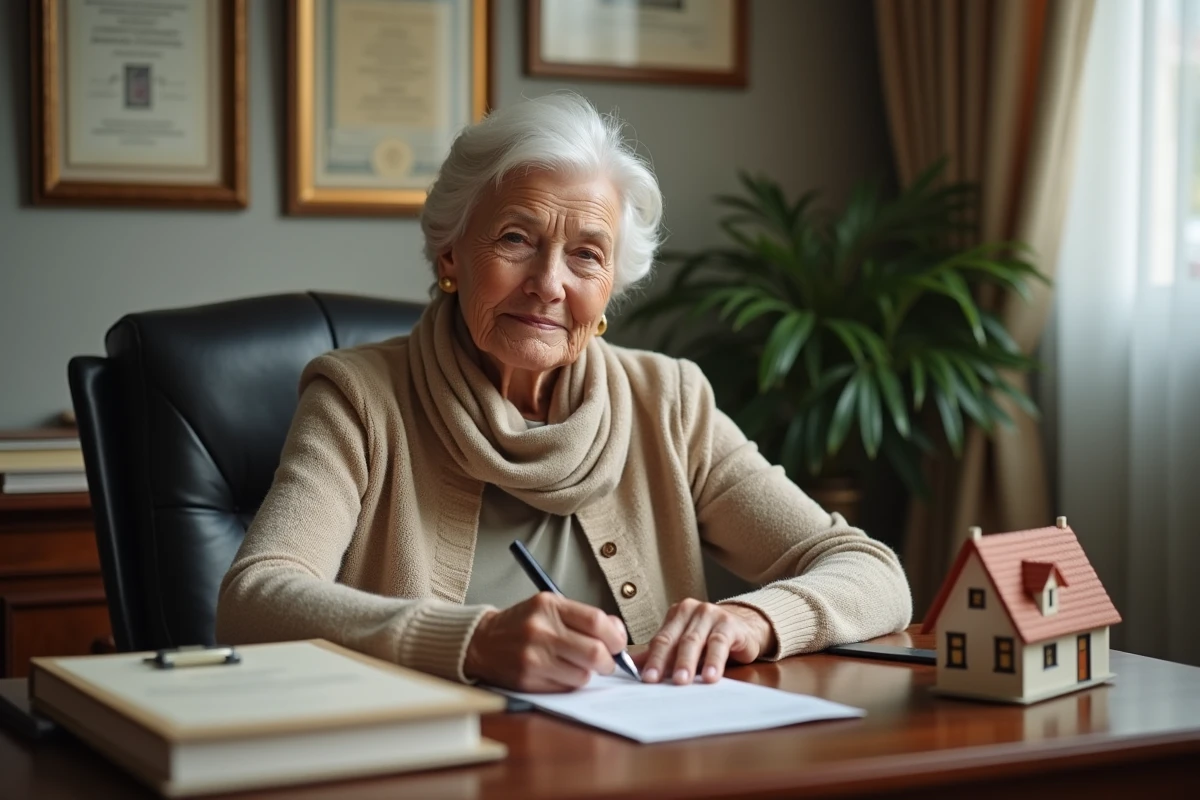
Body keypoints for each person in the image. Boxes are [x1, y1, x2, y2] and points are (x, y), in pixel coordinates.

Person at [216, 94, 912, 692]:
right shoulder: (360, 399)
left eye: (586, 253)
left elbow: (873, 573)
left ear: (611, 283)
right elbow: (255, 599)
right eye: (517, 238)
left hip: (641, 769)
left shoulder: (668, 402)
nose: (550, 282)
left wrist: (755, 619)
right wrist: (472, 642)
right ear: (451, 253)